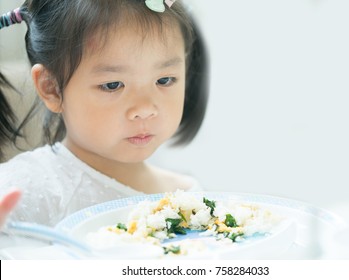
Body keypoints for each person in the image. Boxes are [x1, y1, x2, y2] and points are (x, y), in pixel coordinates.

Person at [0, 0, 208, 227]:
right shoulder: (23, 190)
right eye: (113, 85)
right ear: (52, 88)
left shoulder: (189, 199)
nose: (145, 109)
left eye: (164, 80)